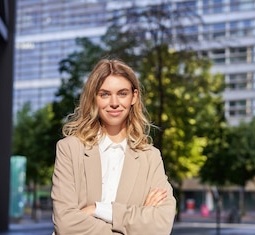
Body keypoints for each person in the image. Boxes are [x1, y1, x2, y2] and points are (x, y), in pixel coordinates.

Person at [51, 59, 176, 235]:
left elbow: (160, 224)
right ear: (94, 98)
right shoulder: (70, 149)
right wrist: (135, 225)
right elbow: (66, 225)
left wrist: (98, 209)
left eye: (122, 93)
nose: (114, 102)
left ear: (134, 96)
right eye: (105, 94)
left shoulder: (150, 157)